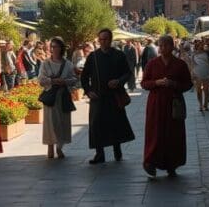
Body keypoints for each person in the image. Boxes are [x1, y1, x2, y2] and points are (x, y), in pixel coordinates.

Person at [141, 35, 193, 178]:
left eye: (165, 45)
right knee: (154, 132)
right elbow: (144, 83)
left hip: (173, 103)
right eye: (160, 45)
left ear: (172, 46)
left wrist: (174, 84)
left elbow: (188, 84)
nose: (162, 48)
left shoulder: (180, 64)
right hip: (156, 104)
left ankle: (172, 164)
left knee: (173, 133)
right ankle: (150, 162)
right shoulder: (152, 64)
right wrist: (156, 83)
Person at [80, 28, 135, 164]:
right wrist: (88, 91)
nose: (103, 42)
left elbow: (127, 73)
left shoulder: (119, 55)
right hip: (98, 96)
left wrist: (119, 81)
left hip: (114, 95)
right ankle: (99, 153)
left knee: (115, 123)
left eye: (105, 39)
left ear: (110, 40)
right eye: (101, 39)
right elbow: (84, 75)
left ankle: (117, 150)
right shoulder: (93, 56)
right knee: (96, 124)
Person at [38, 37, 78, 159]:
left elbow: (74, 80)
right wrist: (53, 81)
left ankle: (59, 147)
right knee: (50, 122)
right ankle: (50, 146)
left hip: (63, 97)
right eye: (52, 46)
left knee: (63, 122)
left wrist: (64, 82)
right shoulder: (46, 63)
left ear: (61, 48)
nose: (53, 49)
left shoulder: (68, 64)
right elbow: (41, 79)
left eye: (56, 46)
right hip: (51, 96)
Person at [189, 40, 209, 112]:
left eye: (201, 45)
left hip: (206, 73)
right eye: (199, 45)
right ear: (197, 46)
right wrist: (192, 74)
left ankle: (205, 105)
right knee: (199, 91)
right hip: (197, 74)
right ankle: (200, 105)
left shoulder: (206, 53)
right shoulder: (193, 54)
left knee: (206, 90)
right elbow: (191, 65)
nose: (201, 46)